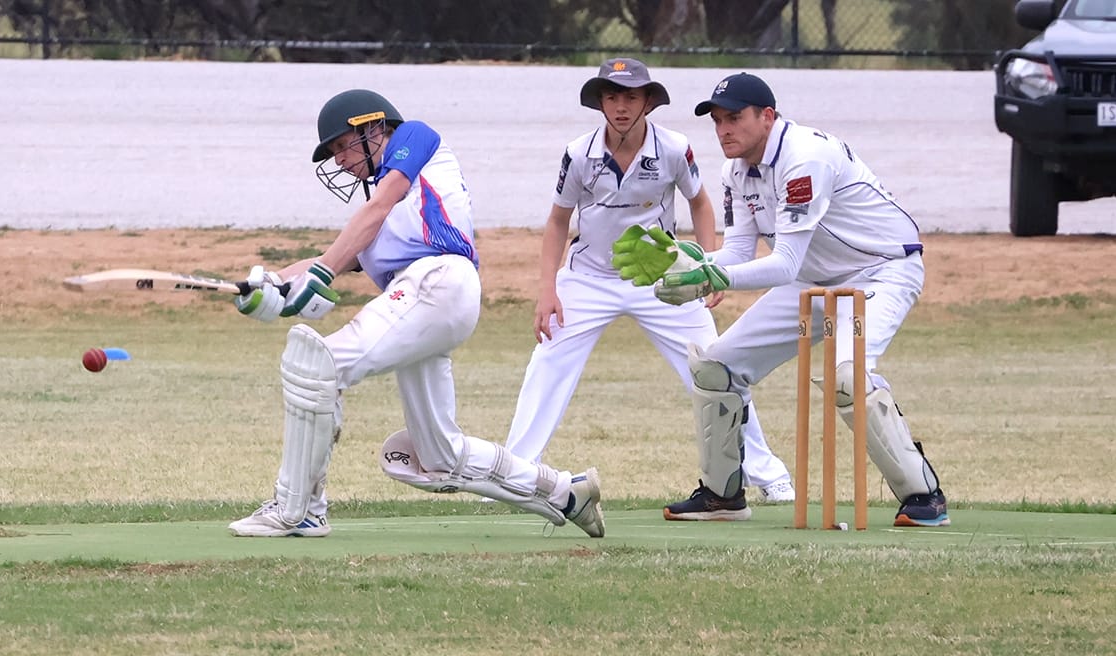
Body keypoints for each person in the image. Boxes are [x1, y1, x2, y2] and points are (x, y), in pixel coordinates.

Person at [226, 88, 604, 538]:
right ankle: (566, 492)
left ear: (373, 127)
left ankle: (299, 509)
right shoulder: (381, 215)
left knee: (318, 366)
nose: (340, 161)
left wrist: (322, 272)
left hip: (438, 282)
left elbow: (372, 212)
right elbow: (331, 257)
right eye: (333, 154)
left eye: (342, 146)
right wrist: (268, 283)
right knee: (440, 458)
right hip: (427, 301)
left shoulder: (415, 139)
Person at [611, 72, 950, 527]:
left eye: (735, 118)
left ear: (767, 117)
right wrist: (686, 261)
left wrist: (711, 275)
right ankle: (722, 496)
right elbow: (737, 254)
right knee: (715, 368)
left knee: (847, 378)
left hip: (880, 270)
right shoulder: (735, 171)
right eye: (717, 121)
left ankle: (924, 496)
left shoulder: (804, 158)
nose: (724, 130)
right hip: (811, 278)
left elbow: (783, 263)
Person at [501, 57, 796, 504]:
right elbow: (558, 221)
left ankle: (766, 473)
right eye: (612, 97)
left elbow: (700, 203)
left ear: (648, 102)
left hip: (660, 279)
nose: (621, 107)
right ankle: (516, 476)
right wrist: (547, 290)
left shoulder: (674, 148)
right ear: (600, 102)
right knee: (546, 366)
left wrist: (707, 267)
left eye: (631, 97)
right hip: (587, 279)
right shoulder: (578, 152)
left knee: (713, 368)